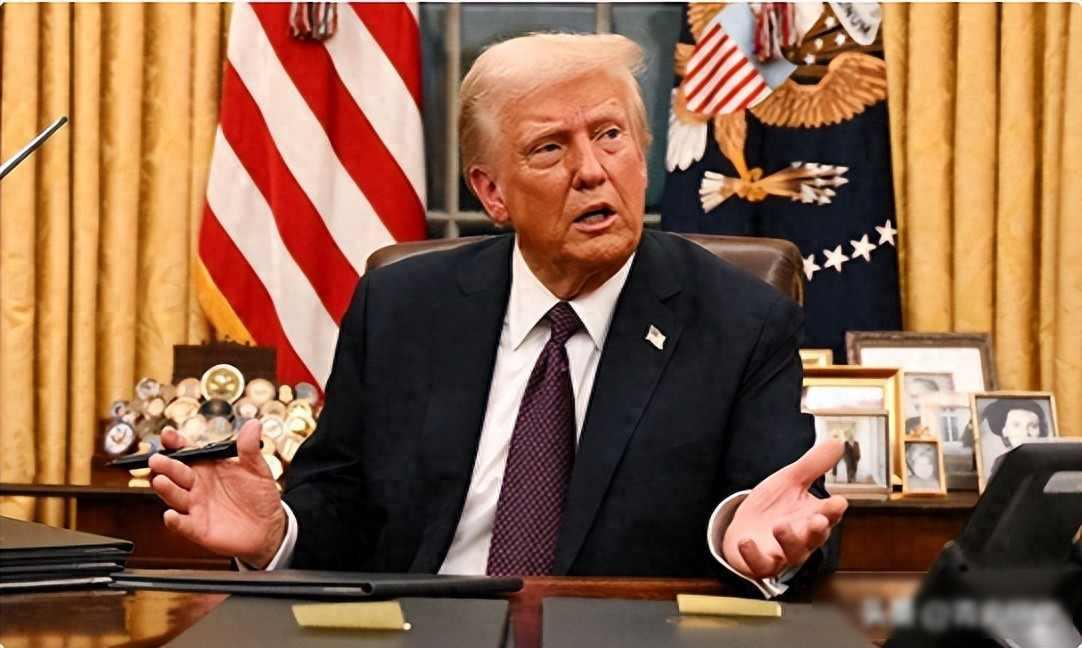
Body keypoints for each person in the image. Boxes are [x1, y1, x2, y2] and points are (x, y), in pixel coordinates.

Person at [148, 33, 847, 598]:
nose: (592, 170)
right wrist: (278, 535)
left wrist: (751, 539)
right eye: (550, 147)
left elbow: (782, 510)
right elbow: (341, 501)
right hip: (424, 629)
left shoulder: (740, 320)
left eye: (610, 135)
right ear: (492, 193)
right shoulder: (402, 307)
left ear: (642, 155)